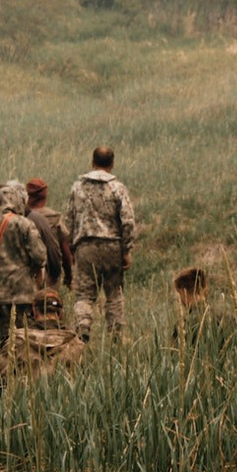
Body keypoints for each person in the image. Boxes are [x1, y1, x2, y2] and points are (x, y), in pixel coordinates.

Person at [67, 146, 139, 344]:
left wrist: (72, 248)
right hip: (112, 246)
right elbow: (128, 221)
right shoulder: (118, 188)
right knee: (114, 293)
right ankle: (116, 334)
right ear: (112, 163)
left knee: (84, 294)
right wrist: (126, 250)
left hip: (85, 246)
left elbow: (70, 219)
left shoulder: (78, 187)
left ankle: (82, 329)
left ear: (92, 162)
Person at [0, 180, 49, 351]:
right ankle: (22, 373)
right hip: (24, 293)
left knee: (1, 343)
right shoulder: (26, 224)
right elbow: (40, 256)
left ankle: (0, 374)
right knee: (23, 340)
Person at [24, 179, 73, 291]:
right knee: (47, 306)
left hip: (25, 275)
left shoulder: (20, 217)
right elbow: (65, 250)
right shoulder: (54, 217)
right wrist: (69, 277)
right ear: (45, 196)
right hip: (50, 274)